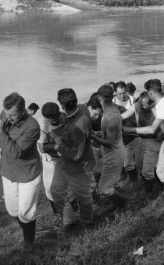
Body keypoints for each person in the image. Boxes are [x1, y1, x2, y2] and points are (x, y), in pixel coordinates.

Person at [0, 92, 42, 253]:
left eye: (12, 115)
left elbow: (16, 152)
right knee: (13, 210)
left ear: (23, 111)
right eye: (6, 114)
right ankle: (26, 228)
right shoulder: (5, 114)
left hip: (28, 174)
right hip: (8, 172)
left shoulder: (33, 126)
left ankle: (29, 242)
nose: (8, 118)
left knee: (26, 212)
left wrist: (1, 132)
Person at [124, 79, 164, 197]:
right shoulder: (162, 104)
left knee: (162, 172)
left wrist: (128, 130)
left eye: (148, 92)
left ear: (151, 93)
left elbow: (152, 129)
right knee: (160, 170)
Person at [50, 88, 95, 232]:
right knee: (56, 190)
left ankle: (87, 222)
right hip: (66, 162)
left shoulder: (77, 126)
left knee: (82, 195)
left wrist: (58, 147)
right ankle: (70, 220)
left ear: (62, 105)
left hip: (79, 163)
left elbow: (76, 155)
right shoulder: (81, 109)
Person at [37, 102, 79, 225]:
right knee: (50, 188)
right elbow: (41, 147)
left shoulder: (66, 117)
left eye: (54, 120)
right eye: (50, 120)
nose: (52, 122)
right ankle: (57, 214)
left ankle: (74, 211)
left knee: (70, 186)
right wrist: (57, 147)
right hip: (50, 159)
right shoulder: (42, 125)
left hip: (67, 156)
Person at [91, 85, 127, 212]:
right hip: (115, 151)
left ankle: (123, 204)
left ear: (100, 97)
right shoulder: (113, 109)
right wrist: (98, 134)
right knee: (109, 184)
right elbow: (115, 133)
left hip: (113, 153)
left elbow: (109, 143)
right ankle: (119, 203)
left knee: (102, 189)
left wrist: (92, 136)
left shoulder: (110, 116)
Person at [121, 91, 162, 195]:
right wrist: (112, 120)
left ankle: (150, 192)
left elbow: (158, 128)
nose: (141, 106)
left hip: (154, 141)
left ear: (152, 103)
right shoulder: (137, 106)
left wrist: (128, 130)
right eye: (140, 103)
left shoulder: (158, 110)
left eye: (143, 104)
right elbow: (123, 115)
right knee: (140, 166)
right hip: (140, 139)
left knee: (148, 170)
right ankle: (152, 186)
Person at [113, 81, 138, 182]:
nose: (122, 95)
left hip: (131, 135)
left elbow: (137, 115)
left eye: (124, 93)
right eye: (120, 93)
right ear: (115, 92)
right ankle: (125, 178)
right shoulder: (112, 102)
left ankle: (134, 180)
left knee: (128, 162)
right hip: (118, 136)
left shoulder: (131, 99)